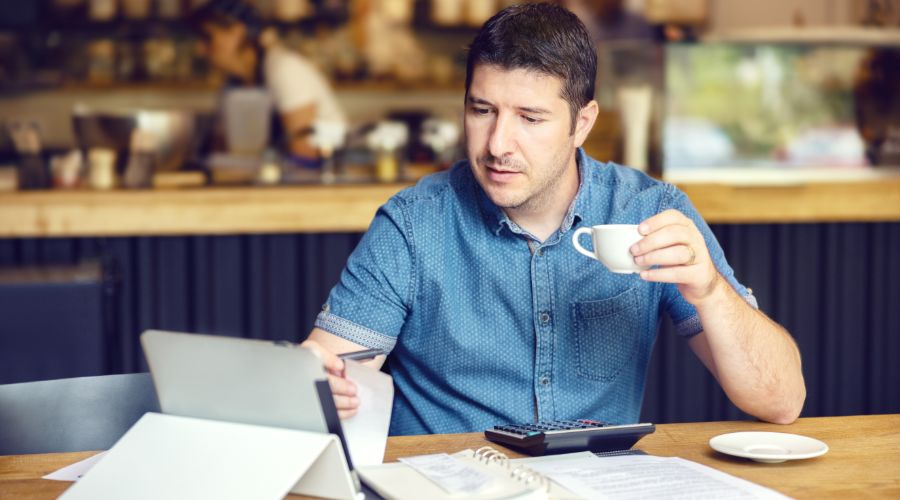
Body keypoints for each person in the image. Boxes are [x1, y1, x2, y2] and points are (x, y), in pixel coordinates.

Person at [303, 3, 805, 436]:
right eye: (482, 111)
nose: (498, 144)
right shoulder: (413, 224)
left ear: (581, 124)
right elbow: (324, 377)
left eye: (530, 118)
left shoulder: (647, 211)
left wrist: (711, 292)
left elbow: (781, 401)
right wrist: (325, 388)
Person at [189, 0, 346, 161]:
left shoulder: (284, 69)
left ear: (237, 33)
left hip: (325, 177)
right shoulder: (232, 86)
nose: (200, 50)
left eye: (207, 37)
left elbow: (305, 149)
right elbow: (223, 149)